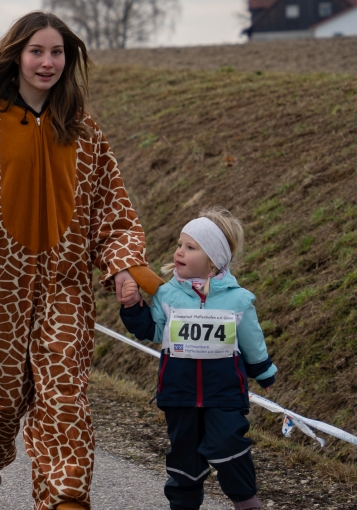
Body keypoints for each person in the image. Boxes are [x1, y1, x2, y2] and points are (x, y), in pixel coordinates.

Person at [0, 11, 162, 510]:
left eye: (57, 52)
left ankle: (65, 500)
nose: (47, 62)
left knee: (63, 399)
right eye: (37, 51)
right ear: (17, 55)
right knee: (2, 401)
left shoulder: (84, 132)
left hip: (64, 290)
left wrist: (123, 267)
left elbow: (113, 209)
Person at [118, 208, 275, 510]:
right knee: (184, 458)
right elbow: (152, 331)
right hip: (180, 393)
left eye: (190, 248)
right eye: (179, 244)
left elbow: (252, 341)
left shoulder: (238, 299)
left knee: (228, 444)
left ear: (214, 260)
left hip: (225, 394)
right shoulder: (167, 295)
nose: (179, 252)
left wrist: (264, 371)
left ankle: (245, 500)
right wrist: (132, 307)